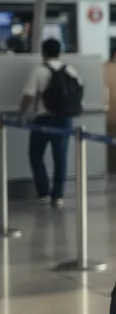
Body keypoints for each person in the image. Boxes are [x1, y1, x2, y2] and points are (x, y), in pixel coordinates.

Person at [17, 38, 82, 207]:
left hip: (44, 119)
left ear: (43, 52)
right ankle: (58, 195)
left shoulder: (38, 70)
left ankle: (44, 192)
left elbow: (29, 95)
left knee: (36, 155)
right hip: (65, 120)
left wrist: (21, 113)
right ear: (60, 52)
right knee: (60, 158)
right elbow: (79, 91)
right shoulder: (71, 70)